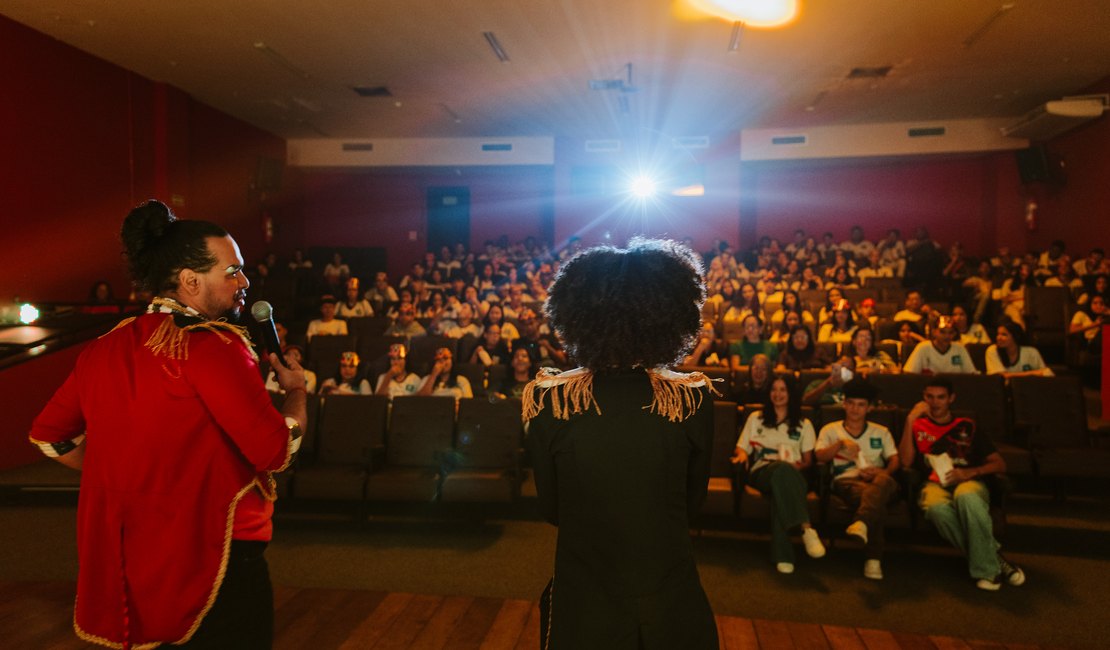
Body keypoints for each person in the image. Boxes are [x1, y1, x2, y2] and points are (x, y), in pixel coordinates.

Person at [28, 200, 306, 647]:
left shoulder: (103, 349)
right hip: (215, 554)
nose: (244, 282)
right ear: (190, 280)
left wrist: (129, 479)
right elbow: (275, 452)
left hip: (134, 553)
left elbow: (49, 439)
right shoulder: (216, 347)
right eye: (232, 271)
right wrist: (296, 394)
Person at [523, 238, 719, 649]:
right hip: (669, 600)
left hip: (584, 604)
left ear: (577, 316)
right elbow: (693, 503)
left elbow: (551, 507)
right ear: (671, 314)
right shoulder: (690, 398)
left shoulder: (551, 400)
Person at [899, 377, 1025, 591]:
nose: (935, 402)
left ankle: (988, 572)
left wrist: (969, 472)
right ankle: (996, 559)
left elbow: (999, 464)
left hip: (968, 481)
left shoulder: (967, 425)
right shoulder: (917, 424)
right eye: (930, 397)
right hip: (933, 485)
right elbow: (905, 461)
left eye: (941, 397)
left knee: (965, 498)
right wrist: (910, 420)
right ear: (923, 397)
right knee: (937, 510)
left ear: (951, 399)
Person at [732, 375, 826, 574]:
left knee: (781, 484)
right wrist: (741, 456)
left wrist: (794, 466)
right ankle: (805, 527)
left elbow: (808, 461)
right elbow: (742, 448)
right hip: (761, 471)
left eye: (783, 390)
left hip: (792, 471)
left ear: (791, 394)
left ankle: (783, 556)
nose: (778, 394)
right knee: (781, 471)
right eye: (774, 389)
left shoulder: (804, 423)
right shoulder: (755, 418)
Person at [815, 379, 900, 580]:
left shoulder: (881, 431)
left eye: (861, 405)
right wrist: (839, 445)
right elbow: (819, 457)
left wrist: (882, 471)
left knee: (883, 483)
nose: (855, 409)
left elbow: (895, 460)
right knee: (875, 501)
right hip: (848, 481)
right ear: (844, 404)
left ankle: (861, 522)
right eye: (851, 403)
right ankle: (874, 559)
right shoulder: (831, 429)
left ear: (869, 408)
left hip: (878, 479)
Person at [903, 316, 978, 374]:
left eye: (950, 332)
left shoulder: (960, 348)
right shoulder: (923, 347)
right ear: (934, 332)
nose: (947, 336)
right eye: (942, 332)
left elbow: (971, 373)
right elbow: (909, 373)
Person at [984, 321, 1053, 378]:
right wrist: (1033, 373)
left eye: (1004, 335)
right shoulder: (992, 350)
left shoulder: (1031, 352)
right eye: (998, 334)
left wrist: (1011, 375)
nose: (999, 338)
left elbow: (1047, 373)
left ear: (1015, 336)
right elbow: (1001, 377)